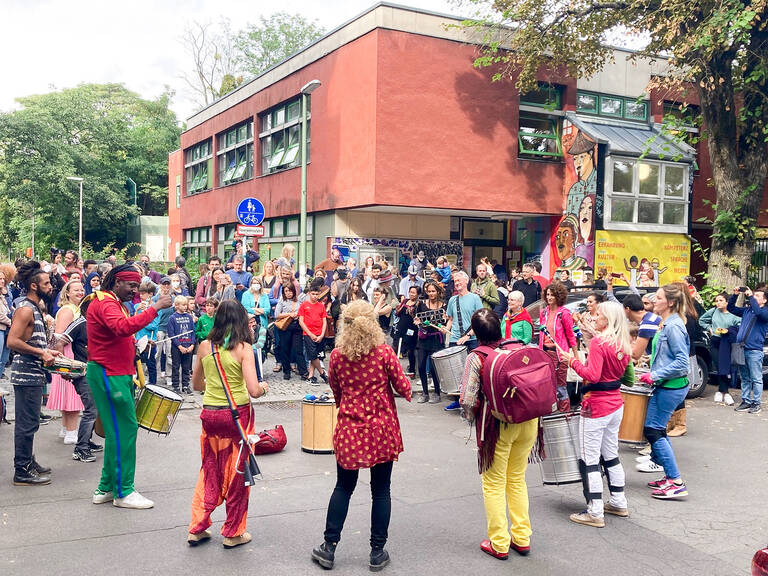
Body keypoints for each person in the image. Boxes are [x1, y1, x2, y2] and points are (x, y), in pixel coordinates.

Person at [311, 300, 412, 571]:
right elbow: (403, 388)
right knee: (381, 490)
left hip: (350, 429)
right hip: (381, 428)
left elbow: (336, 390)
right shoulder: (384, 352)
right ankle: (377, 551)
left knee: (344, 487)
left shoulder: (337, 356)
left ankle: (329, 547)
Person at [86, 264, 172, 508]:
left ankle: (106, 487)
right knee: (125, 430)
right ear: (116, 283)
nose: (134, 291)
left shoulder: (113, 303)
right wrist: (155, 308)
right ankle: (123, 491)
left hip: (115, 372)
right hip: (109, 373)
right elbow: (121, 328)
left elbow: (121, 333)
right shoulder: (106, 303)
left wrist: (134, 344)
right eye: (131, 286)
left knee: (116, 432)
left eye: (137, 286)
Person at [187, 300, 268, 548]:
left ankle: (197, 527)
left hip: (210, 414)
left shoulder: (204, 346)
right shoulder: (243, 348)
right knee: (238, 474)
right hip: (237, 416)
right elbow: (254, 390)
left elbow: (197, 385)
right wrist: (264, 387)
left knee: (209, 469)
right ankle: (233, 532)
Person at [459, 308, 538, 560]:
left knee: (493, 484)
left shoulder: (477, 357)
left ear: (477, 333)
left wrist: (471, 419)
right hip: (528, 421)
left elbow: (468, 399)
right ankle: (522, 538)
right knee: (516, 479)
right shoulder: (516, 349)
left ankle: (499, 542)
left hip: (497, 426)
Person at [561, 301, 632, 527]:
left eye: (598, 315)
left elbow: (591, 374)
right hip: (615, 403)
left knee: (589, 459)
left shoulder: (600, 344)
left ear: (607, 319)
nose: (595, 318)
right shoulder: (622, 342)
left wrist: (571, 360)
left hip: (596, 405)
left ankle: (595, 510)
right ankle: (618, 501)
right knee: (611, 454)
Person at [8, 261, 60, 485]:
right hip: (26, 375)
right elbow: (12, 341)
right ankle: (21, 469)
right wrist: (41, 353)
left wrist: (46, 352)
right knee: (26, 423)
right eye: (46, 283)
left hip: (34, 374)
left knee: (31, 422)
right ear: (34, 286)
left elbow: (31, 341)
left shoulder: (36, 308)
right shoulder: (26, 309)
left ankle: (29, 461)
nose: (51, 286)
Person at [636, 284, 690, 499]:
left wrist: (655, 375)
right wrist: (650, 362)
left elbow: (682, 362)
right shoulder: (666, 323)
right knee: (654, 429)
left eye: (658, 297)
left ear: (670, 303)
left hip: (672, 386)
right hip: (666, 385)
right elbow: (667, 355)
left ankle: (676, 481)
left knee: (654, 430)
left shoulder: (674, 326)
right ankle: (669, 476)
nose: (653, 300)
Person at [55, 293, 102, 462]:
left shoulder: (98, 325)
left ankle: (86, 442)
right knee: (91, 410)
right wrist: (64, 368)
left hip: (95, 372)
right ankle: (80, 449)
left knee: (94, 409)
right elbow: (60, 342)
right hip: (83, 374)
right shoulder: (81, 323)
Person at [46, 279, 85, 444]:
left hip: (69, 351)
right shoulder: (68, 310)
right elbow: (59, 336)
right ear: (67, 293)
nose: (80, 292)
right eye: (75, 290)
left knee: (69, 394)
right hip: (68, 353)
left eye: (81, 289)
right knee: (73, 394)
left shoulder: (75, 309)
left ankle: (65, 428)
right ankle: (71, 432)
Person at [727, 285, 768, 414]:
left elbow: (759, 312)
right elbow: (730, 308)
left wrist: (750, 296)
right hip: (741, 348)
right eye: (754, 295)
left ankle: (756, 403)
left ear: (765, 300)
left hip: (755, 350)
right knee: (744, 377)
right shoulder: (747, 310)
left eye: (757, 296)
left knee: (756, 378)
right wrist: (735, 295)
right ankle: (746, 401)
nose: (754, 297)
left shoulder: (765, 312)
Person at [538, 282, 578, 412]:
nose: (549, 297)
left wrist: (575, 356)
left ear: (558, 296)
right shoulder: (544, 312)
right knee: (547, 384)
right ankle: (551, 410)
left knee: (560, 385)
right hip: (545, 352)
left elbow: (571, 336)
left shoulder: (564, 313)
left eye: (552, 295)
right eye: (548, 294)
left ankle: (564, 411)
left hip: (559, 354)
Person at [699, 292, 740, 405]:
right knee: (719, 365)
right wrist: (709, 328)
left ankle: (724, 392)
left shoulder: (733, 314)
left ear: (727, 302)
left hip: (726, 342)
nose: (718, 303)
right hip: (715, 341)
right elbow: (701, 320)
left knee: (725, 367)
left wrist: (730, 330)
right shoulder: (713, 311)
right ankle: (723, 391)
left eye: (721, 300)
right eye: (716, 301)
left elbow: (740, 325)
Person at [414, 280, 449, 403]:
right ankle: (425, 392)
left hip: (436, 339)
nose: (431, 293)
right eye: (429, 291)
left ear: (438, 291)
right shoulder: (422, 304)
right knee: (422, 366)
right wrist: (417, 322)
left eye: (433, 291)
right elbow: (417, 318)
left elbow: (447, 321)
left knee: (435, 368)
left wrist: (445, 325)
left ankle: (437, 393)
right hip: (423, 339)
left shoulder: (444, 305)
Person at [274, 283, 308, 381]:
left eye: (290, 291)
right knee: (285, 349)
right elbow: (277, 314)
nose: (288, 293)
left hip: (296, 326)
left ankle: (303, 372)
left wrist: (297, 315)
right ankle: (286, 371)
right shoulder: (282, 301)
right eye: (286, 291)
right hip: (285, 327)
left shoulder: (299, 300)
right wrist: (289, 314)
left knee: (298, 349)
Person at [298, 280, 329, 385]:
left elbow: (324, 321)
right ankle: (322, 373)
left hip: (319, 334)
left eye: (317, 294)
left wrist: (321, 334)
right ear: (309, 294)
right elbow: (301, 321)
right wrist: (310, 333)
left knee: (316, 355)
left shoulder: (321, 306)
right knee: (312, 355)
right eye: (313, 294)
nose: (315, 296)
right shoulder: (304, 305)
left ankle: (311, 376)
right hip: (308, 334)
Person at [168, 295, 196, 394]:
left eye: (186, 305)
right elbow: (171, 334)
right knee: (175, 366)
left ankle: (185, 385)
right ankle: (175, 386)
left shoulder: (189, 317)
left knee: (186, 367)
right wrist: (179, 346)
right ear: (176, 305)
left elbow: (193, 331)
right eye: (183, 305)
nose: (185, 307)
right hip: (177, 347)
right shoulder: (172, 318)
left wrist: (192, 344)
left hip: (188, 345)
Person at [136, 282, 159, 386]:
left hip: (150, 340)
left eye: (143, 293)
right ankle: (135, 385)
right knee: (136, 364)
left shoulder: (156, 308)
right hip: (138, 340)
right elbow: (133, 322)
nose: (141, 296)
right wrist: (137, 312)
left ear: (150, 294)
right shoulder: (137, 306)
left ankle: (153, 385)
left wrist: (145, 315)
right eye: (140, 294)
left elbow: (153, 326)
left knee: (151, 364)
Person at [153, 277, 175, 384]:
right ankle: (154, 374)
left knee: (169, 354)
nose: (166, 286)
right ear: (160, 285)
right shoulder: (156, 299)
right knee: (157, 352)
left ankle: (169, 376)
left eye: (168, 284)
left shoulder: (173, 298)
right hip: (159, 328)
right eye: (164, 284)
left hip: (170, 329)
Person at [394, 286, 419, 377]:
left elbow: (417, 318)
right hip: (401, 327)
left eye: (414, 292)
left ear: (418, 294)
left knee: (410, 350)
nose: (411, 294)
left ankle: (412, 370)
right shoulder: (405, 301)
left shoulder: (418, 304)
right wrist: (398, 310)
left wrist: (412, 313)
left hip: (411, 329)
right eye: (410, 292)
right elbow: (398, 314)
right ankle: (395, 369)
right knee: (396, 346)